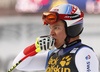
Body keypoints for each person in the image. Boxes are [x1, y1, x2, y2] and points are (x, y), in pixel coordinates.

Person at [13, 4, 99, 72]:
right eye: (50, 28)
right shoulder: (53, 54)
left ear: (71, 29)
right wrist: (36, 46)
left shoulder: (83, 53)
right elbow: (19, 65)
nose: (51, 33)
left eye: (56, 28)